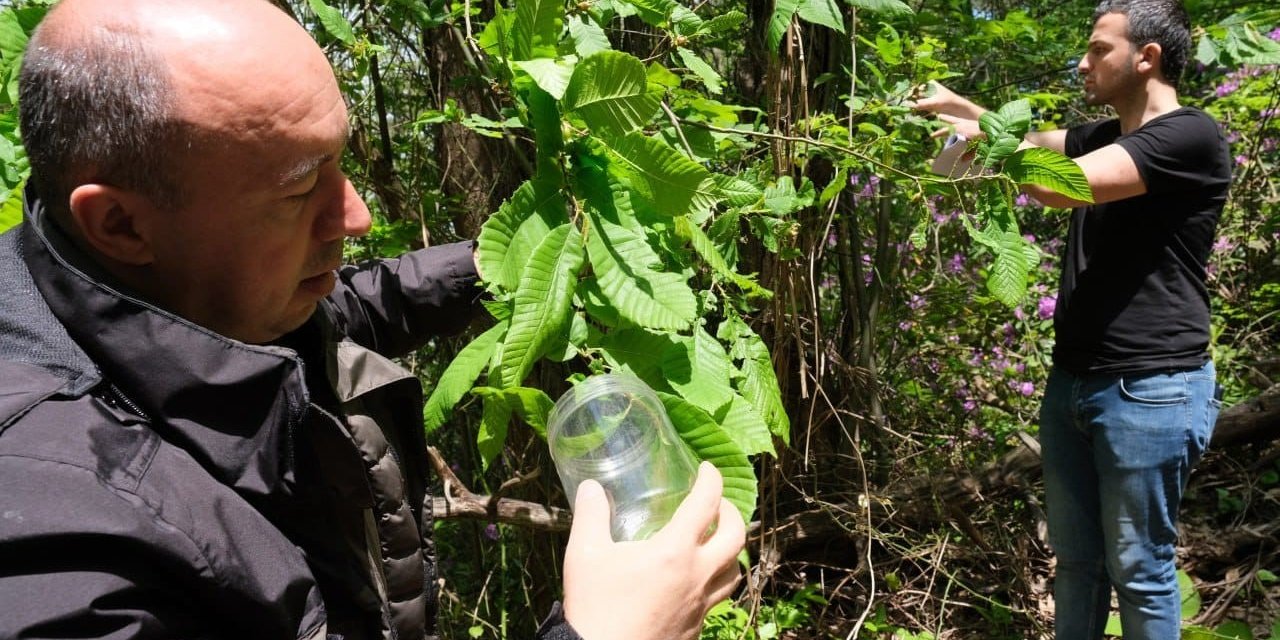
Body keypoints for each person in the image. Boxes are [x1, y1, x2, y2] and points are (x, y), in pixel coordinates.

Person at [0, 0, 744, 638]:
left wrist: (508, 264)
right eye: (298, 190)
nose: (354, 215)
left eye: (338, 161)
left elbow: (336, 314)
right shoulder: (51, 542)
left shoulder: (164, 287)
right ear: (121, 225)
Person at [915, 1, 1230, 637]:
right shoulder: (1107, 135)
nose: (1081, 64)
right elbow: (1002, 151)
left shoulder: (1189, 136)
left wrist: (983, 136)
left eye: (1097, 50)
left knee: (1141, 568)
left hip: (1151, 387)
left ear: (1148, 58)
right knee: (1078, 565)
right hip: (1076, 382)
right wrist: (959, 111)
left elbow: (1062, 185)